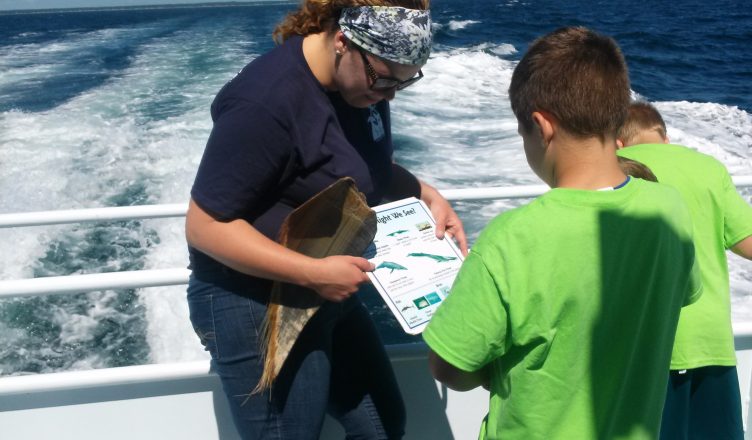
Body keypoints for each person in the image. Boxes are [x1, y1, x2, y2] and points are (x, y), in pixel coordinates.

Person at [184, 0, 468, 438]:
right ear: (342, 41)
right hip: (252, 299)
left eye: (404, 84)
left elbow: (357, 162)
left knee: (382, 426)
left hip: (322, 281)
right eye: (384, 80)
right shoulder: (265, 102)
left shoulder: (359, 84)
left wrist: (426, 194)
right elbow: (205, 225)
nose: (389, 95)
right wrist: (313, 272)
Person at [422, 27, 702, 439]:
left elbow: (449, 366)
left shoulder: (512, 238)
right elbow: (677, 297)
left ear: (541, 126)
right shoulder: (670, 209)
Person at [616, 101, 752, 440]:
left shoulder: (616, 170)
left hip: (649, 345)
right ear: (665, 136)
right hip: (712, 342)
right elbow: (747, 243)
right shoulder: (709, 168)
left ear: (617, 142)